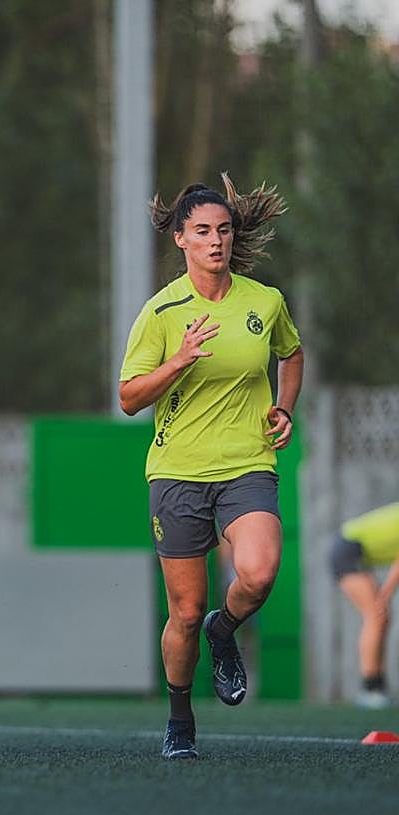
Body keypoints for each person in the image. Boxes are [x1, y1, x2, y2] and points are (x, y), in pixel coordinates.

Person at [119, 174, 303, 759]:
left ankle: (224, 632)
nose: (216, 241)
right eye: (202, 231)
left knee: (259, 573)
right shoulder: (162, 311)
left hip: (248, 463)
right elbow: (128, 397)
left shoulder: (264, 301)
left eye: (223, 230)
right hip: (177, 472)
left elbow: (291, 353)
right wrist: (178, 362)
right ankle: (179, 720)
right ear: (181, 240)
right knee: (185, 609)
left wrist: (284, 405)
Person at [330, 502, 399, 709]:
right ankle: (370, 688)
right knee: (375, 615)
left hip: (354, 550)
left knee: (382, 617)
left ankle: (378, 686)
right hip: (348, 548)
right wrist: (384, 595)